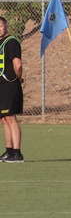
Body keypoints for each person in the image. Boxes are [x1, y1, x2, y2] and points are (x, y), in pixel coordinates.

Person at [0, 17, 24, 162]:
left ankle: (17, 153)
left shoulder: (12, 42)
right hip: (1, 85)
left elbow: (18, 64)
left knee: (10, 117)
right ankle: (8, 151)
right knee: (3, 119)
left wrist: (18, 78)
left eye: (0, 26)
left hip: (10, 84)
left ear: (6, 26)